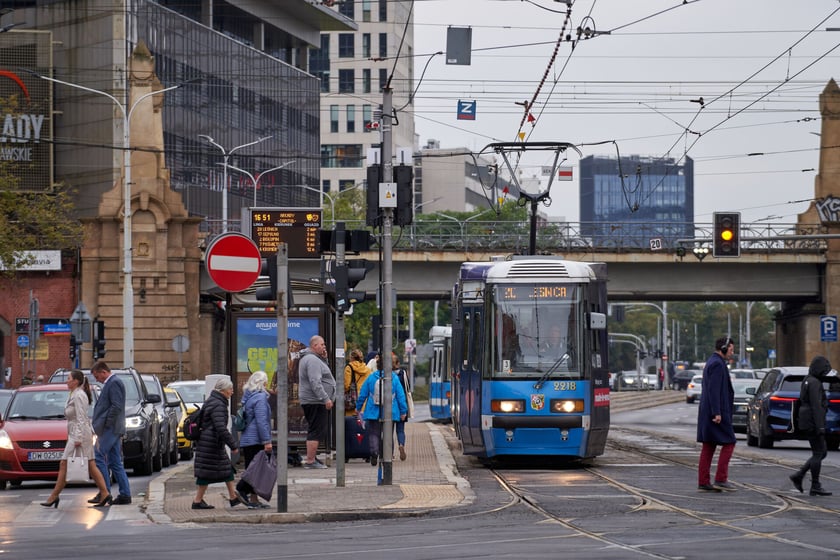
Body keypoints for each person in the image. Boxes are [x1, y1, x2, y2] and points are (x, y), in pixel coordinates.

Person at [41, 369, 112, 508]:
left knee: (65, 463)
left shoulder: (79, 395)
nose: (67, 381)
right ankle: (104, 493)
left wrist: (78, 437)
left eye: (69, 378)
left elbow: (81, 417)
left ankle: (54, 496)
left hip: (79, 434)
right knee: (90, 464)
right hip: (76, 432)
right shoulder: (74, 394)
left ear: (76, 381)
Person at [192, 377, 243, 509]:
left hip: (209, 442)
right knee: (210, 473)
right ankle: (198, 501)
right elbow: (220, 427)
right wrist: (233, 444)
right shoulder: (218, 404)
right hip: (211, 444)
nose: (232, 392)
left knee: (225, 469)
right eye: (230, 389)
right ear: (223, 390)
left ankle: (232, 497)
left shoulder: (212, 400)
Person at [696, 337, 737, 492]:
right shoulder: (718, 364)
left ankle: (704, 481)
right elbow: (714, 390)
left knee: (709, 445)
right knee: (729, 442)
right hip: (717, 413)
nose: (732, 353)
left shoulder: (712, 362)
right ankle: (720, 478)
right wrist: (717, 413)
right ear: (724, 348)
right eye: (731, 349)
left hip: (709, 411)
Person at [89, 360, 132, 505]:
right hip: (113, 428)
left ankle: (104, 492)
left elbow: (116, 406)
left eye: (97, 376)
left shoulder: (113, 383)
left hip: (110, 428)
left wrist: (106, 423)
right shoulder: (112, 382)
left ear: (103, 372)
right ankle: (124, 494)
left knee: (98, 456)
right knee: (115, 462)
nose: (97, 379)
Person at [789, 356, 833, 496]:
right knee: (819, 452)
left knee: (821, 452)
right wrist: (820, 427)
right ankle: (814, 484)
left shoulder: (807, 379)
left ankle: (800, 476)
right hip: (813, 422)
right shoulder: (815, 383)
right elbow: (816, 406)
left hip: (806, 421)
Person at [355, 354, 408, 466]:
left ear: (377, 365)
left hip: (374, 411)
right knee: (388, 434)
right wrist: (403, 411)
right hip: (391, 412)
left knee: (374, 434)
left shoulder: (371, 377)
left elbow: (362, 394)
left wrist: (358, 408)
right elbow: (401, 396)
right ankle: (388, 457)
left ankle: (374, 452)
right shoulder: (394, 378)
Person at [234, 371, 273, 508]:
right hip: (256, 439)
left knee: (253, 469)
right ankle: (241, 488)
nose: (267, 384)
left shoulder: (249, 397)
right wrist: (267, 441)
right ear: (262, 383)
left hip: (248, 439)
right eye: (266, 381)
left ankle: (254, 500)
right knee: (256, 470)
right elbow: (261, 421)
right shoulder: (260, 398)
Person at [298, 335, 336, 469]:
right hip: (315, 401)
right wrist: (325, 398)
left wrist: (324, 359)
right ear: (314, 346)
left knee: (317, 429)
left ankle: (312, 458)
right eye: (322, 344)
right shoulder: (312, 360)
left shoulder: (314, 359)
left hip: (315, 400)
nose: (324, 347)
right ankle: (310, 461)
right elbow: (315, 381)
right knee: (315, 429)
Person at [393, 354, 410, 461]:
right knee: (400, 430)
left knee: (388, 431)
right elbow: (407, 387)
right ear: (398, 364)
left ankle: (389, 453)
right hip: (401, 404)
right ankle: (401, 445)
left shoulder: (385, 375)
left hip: (390, 406)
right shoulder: (403, 373)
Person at [344, 349, 372, 417]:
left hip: (351, 400)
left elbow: (346, 386)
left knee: (351, 423)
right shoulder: (367, 370)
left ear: (352, 358)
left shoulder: (349, 368)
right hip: (363, 400)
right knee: (361, 422)